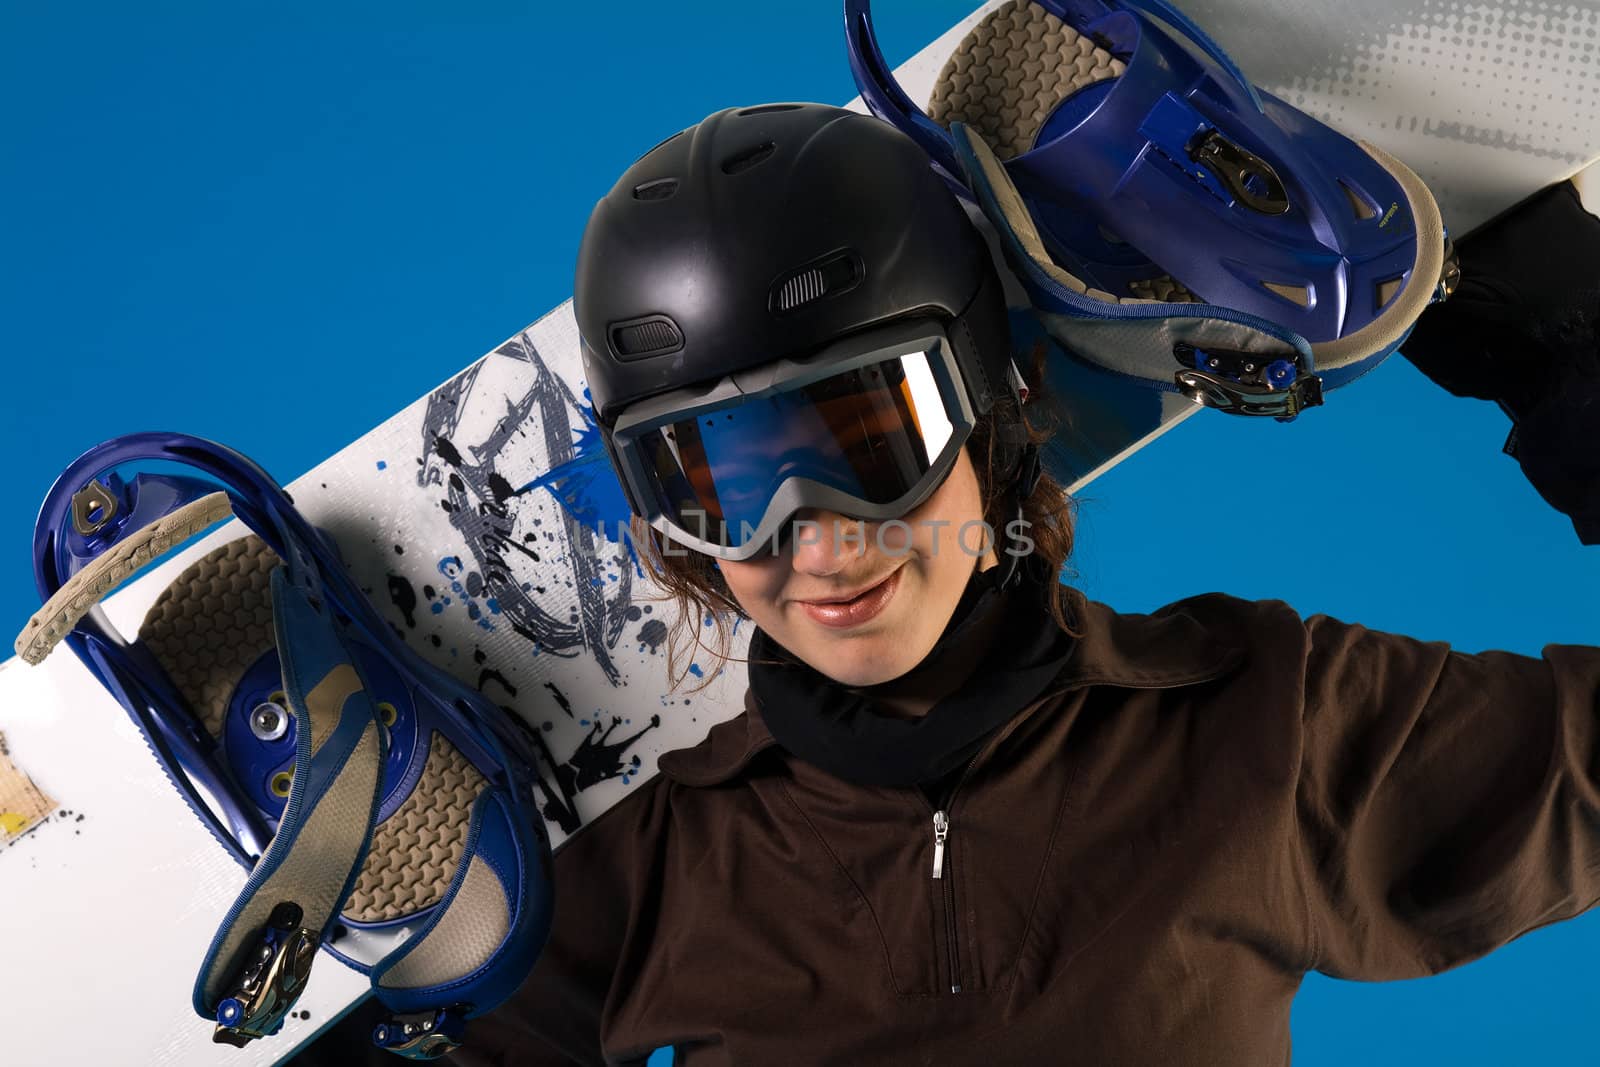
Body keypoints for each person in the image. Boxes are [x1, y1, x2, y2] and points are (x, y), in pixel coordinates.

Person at [304, 103, 1600, 1065]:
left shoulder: (1266, 731)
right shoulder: (647, 859)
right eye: (721, 486)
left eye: (867, 440)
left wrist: (1549, 327)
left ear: (997, 406)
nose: (811, 539)